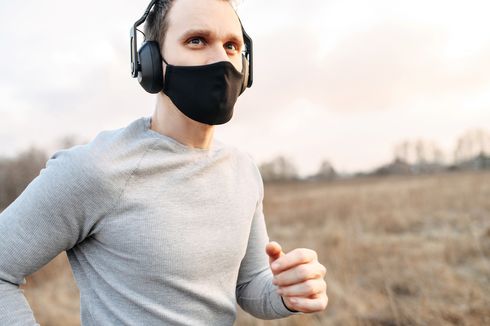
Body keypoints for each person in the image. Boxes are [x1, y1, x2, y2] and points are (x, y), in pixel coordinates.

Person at [0, 0, 328, 324]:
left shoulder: (243, 170)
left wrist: (286, 292)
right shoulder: (96, 169)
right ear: (151, 61)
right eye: (196, 40)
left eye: (231, 45)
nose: (220, 59)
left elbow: (247, 285)